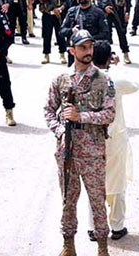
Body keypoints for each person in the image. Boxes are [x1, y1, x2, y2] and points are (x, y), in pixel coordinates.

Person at [43, 30, 116, 256]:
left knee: (97, 200)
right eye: (83, 48)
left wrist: (81, 117)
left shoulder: (103, 79)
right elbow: (48, 110)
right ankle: (68, 244)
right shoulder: (61, 80)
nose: (88, 52)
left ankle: (102, 247)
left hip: (92, 150)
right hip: (67, 150)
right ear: (72, 51)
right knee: (68, 199)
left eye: (90, 47)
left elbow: (109, 114)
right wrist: (59, 131)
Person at [86, 40, 137, 241]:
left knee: (94, 185)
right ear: (109, 58)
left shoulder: (83, 79)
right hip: (115, 139)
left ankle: (93, 228)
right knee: (117, 183)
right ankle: (117, 226)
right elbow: (135, 85)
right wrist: (118, 65)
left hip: (91, 139)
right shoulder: (115, 81)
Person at [60, 0, 110, 66]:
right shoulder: (72, 11)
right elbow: (62, 31)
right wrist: (71, 31)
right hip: (75, 51)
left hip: (92, 50)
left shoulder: (98, 12)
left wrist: (89, 39)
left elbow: (105, 33)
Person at [99, 0, 132, 64]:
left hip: (120, 11)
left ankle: (125, 53)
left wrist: (127, 12)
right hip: (107, 13)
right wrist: (105, 7)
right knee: (106, 34)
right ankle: (107, 56)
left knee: (121, 33)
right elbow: (99, 0)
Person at [38, 0, 70, 64]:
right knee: (46, 35)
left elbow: (67, 1)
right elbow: (35, 0)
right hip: (47, 15)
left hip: (58, 15)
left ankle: (62, 54)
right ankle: (46, 55)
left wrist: (60, 9)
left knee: (60, 35)